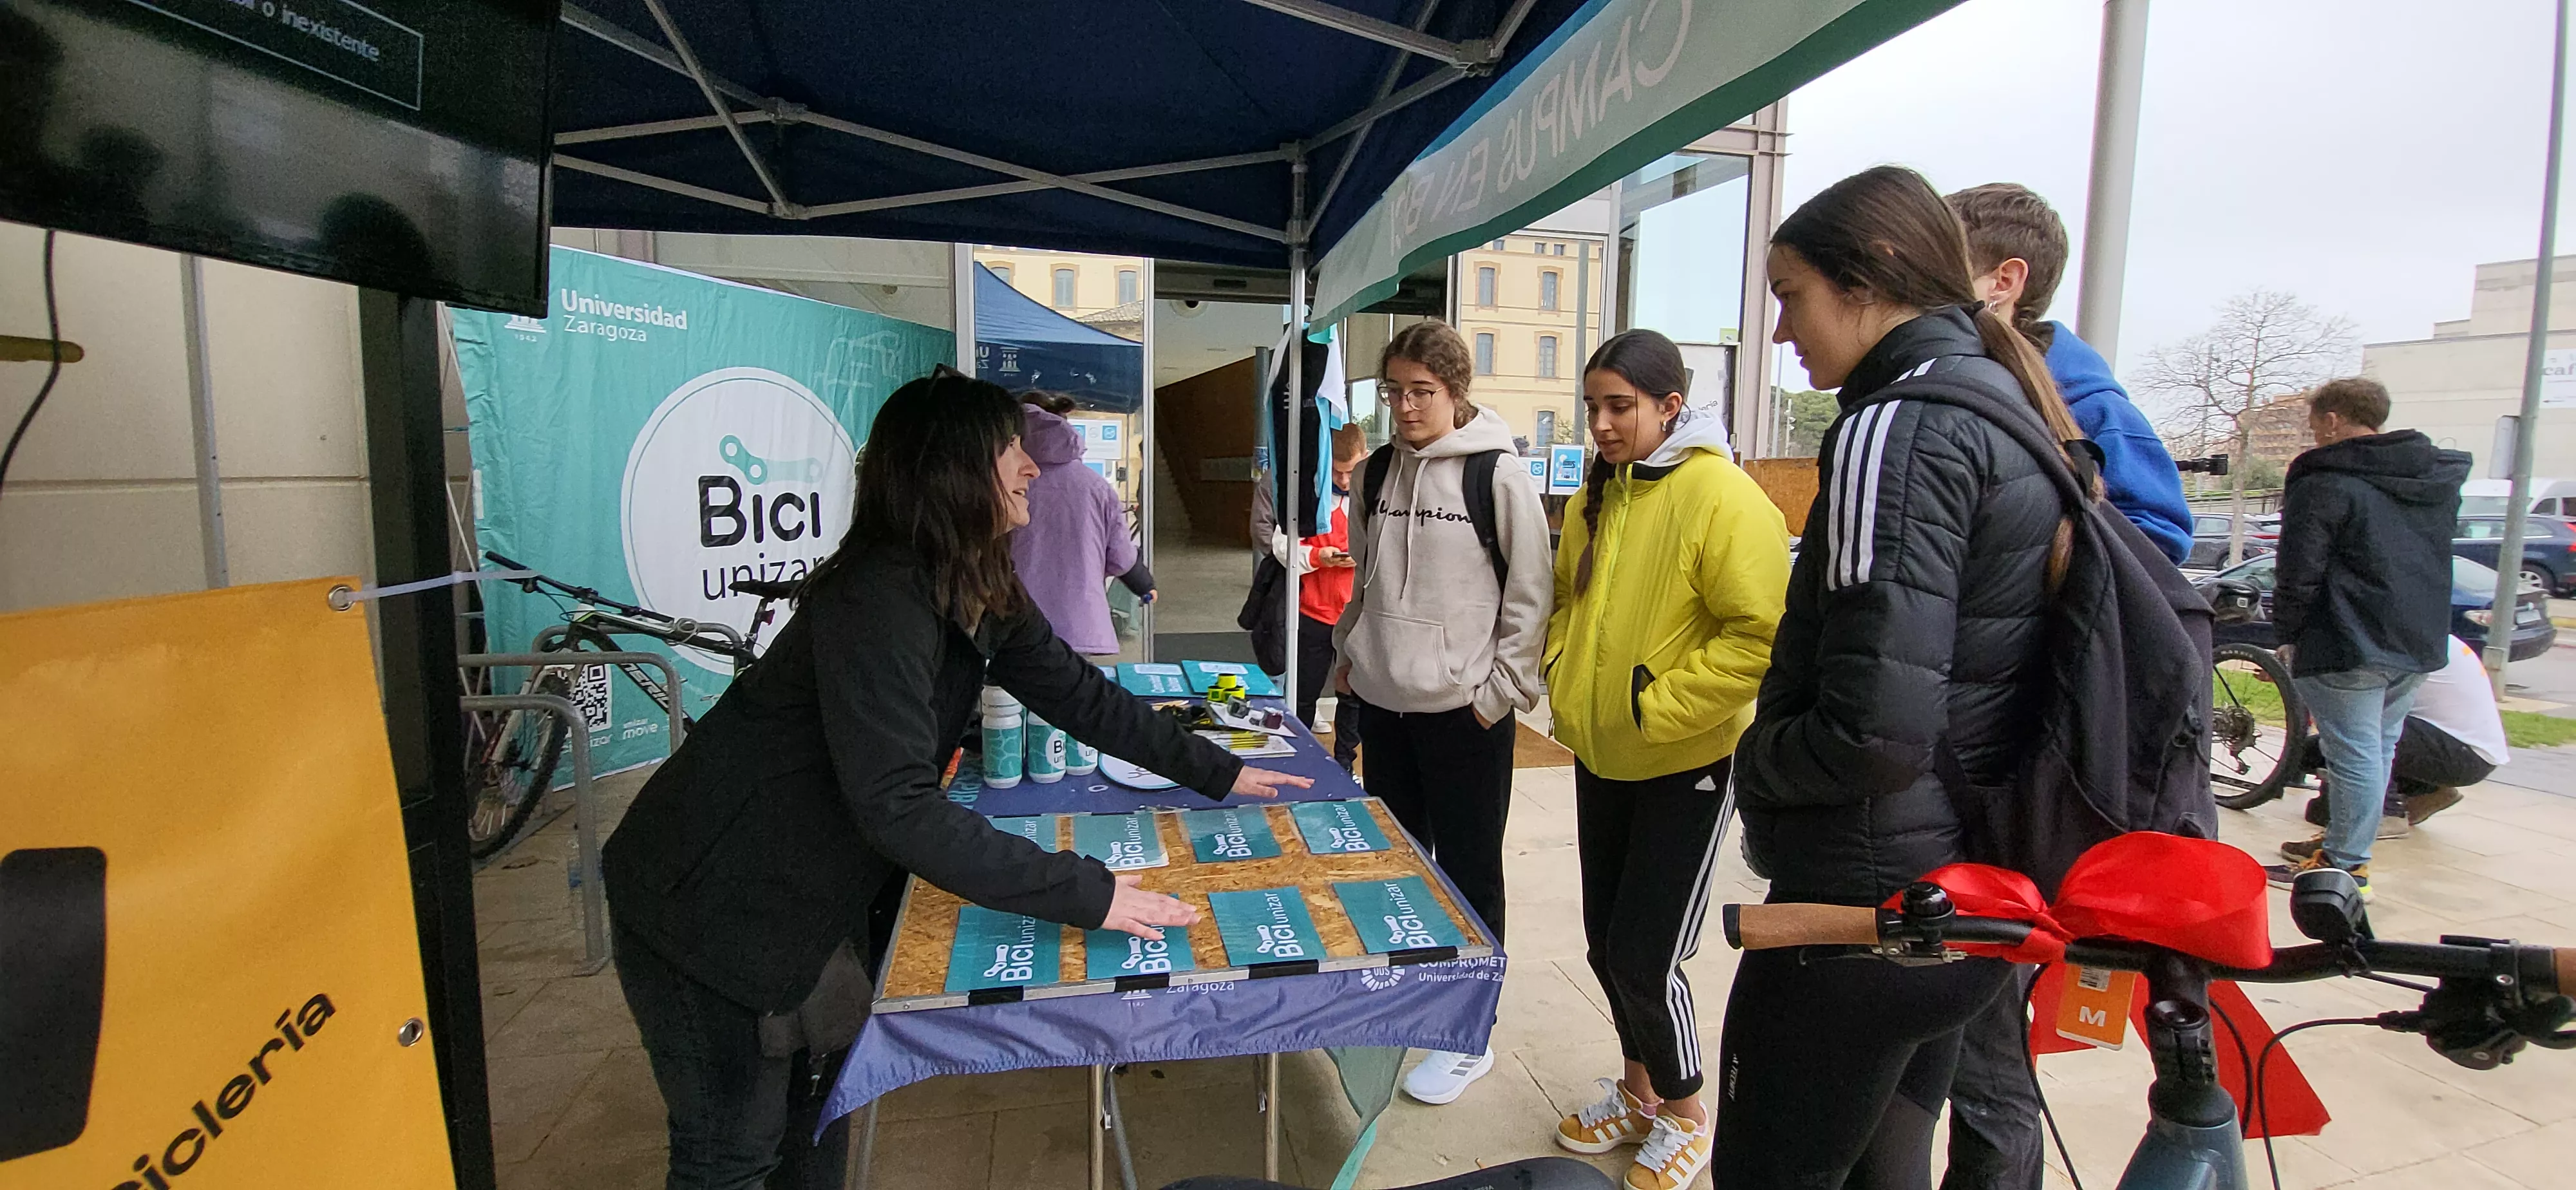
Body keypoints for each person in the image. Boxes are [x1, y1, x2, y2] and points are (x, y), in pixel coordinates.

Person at [601, 370, 1311, 1189]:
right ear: (952, 467)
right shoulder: (877, 596)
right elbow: (898, 807)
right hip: (707, 901)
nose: (1030, 467)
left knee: (814, 1124)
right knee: (731, 1153)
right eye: (1010, 449)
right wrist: (1093, 893)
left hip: (805, 898)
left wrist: (1218, 771)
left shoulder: (974, 576)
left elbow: (1079, 694)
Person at [1721, 165, 2083, 1190]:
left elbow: (1875, 728)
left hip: (1862, 906)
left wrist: (1759, 763)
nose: (1784, 331)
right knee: (1888, 1168)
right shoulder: (2004, 402)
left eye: (1790, 295)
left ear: (1868, 276)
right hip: (1954, 889)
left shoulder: (1899, 424)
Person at [1939, 184, 2199, 1190]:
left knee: (1989, 1052)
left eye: (1939, 269)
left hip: (2026, 772)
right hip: (1970, 759)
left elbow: (2147, 569)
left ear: (2007, 282)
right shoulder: (1983, 384)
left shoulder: (2084, 406)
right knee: (1955, 1034)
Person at [1541, 330, 1788, 1190]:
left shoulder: (1724, 497)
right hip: (1600, 751)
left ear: (1670, 407)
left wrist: (1654, 706)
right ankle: (1639, 1094)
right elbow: (1568, 602)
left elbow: (1759, 636)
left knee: (1649, 954)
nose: (1602, 424)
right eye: (1594, 407)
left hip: (1687, 761)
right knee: (1607, 945)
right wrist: (1564, 680)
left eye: (1621, 407)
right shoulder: (1596, 495)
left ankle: (1687, 1116)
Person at [1332, 319, 1553, 1106]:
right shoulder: (1378, 471)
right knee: (1397, 868)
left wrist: (1497, 697)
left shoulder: (1495, 475)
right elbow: (1365, 577)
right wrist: (1351, 658)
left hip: (1465, 715)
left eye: (1421, 392)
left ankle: (1469, 1035)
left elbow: (1531, 597)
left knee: (1468, 873)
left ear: (1456, 394)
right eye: (1393, 391)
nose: (1405, 407)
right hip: (1384, 703)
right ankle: (1408, 1003)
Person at [2266, 377, 2470, 896]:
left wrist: (2288, 630)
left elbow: (2300, 567)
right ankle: (2345, 849)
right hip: (2415, 637)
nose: (2313, 438)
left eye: (2315, 426)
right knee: (2376, 749)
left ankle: (2345, 865)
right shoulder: (2431, 480)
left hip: (2346, 637)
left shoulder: (2325, 480)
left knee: (2354, 753)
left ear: (2334, 420)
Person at [1946, 183, 2195, 566]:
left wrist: (2023, 576)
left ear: (2004, 281)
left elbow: (2160, 538)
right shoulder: (1946, 385)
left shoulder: (2095, 408)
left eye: (1942, 269)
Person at [2289, 634, 2507, 851]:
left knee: (2345, 745)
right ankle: (2426, 792)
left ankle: (2389, 813)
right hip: (2470, 752)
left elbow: (2355, 717)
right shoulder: (2427, 634)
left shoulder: (2391, 644)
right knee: (2322, 803)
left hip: (2457, 752)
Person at [1255, 422, 1368, 768]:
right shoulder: (1307, 495)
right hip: (1313, 612)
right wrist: (1317, 557)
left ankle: (1345, 765)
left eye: (1351, 472)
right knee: (1304, 696)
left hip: (1360, 614)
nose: (1345, 481)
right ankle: (1299, 764)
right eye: (1337, 472)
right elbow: (1278, 544)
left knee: (1354, 698)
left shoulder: (1378, 494)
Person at [1009, 392, 1153, 659]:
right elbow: (1120, 553)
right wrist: (1143, 583)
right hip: (1077, 618)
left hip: (1011, 620)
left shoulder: (1005, 480)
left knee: (1007, 696)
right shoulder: (1094, 485)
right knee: (1069, 694)